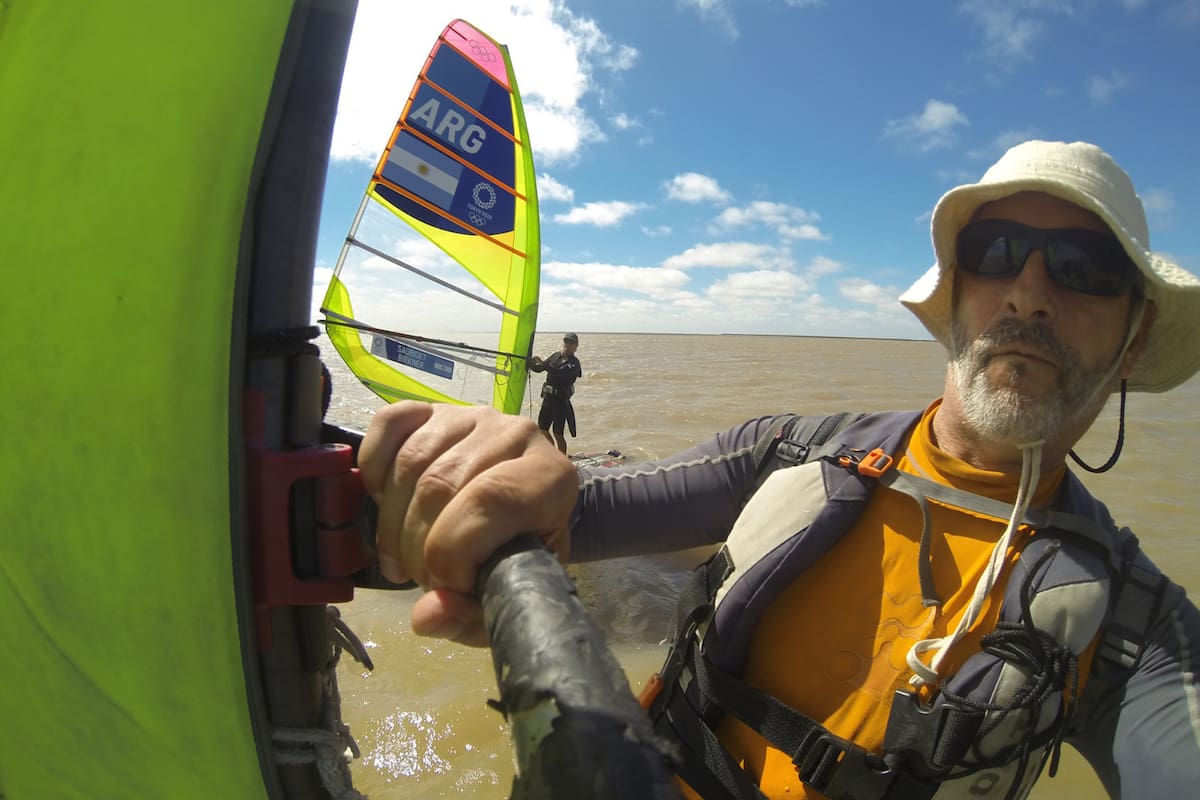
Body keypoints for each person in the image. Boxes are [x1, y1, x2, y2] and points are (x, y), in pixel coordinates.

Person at [357, 141, 1200, 799]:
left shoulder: (1136, 627)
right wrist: (497, 478)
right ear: (956, 295)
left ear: (1133, 338)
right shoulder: (791, 450)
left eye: (1084, 269)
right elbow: (584, 510)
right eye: (998, 250)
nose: (1029, 293)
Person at [528, 331, 583, 453]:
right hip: (548, 400)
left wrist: (544, 364)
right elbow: (540, 368)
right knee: (542, 429)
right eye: (566, 341)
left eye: (571, 343)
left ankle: (562, 458)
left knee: (558, 433)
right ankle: (551, 453)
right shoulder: (555, 356)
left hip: (561, 403)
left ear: (576, 347)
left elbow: (562, 373)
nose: (567, 345)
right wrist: (530, 362)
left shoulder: (574, 363)